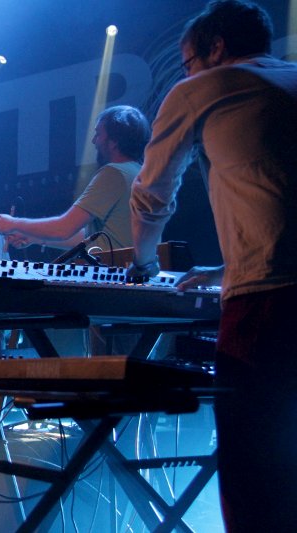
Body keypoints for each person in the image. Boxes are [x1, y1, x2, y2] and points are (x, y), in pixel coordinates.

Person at [126, 2, 297, 530]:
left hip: (267, 305)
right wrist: (225, 270)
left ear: (216, 48)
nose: (186, 73)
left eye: (186, 61)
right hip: (263, 281)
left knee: (253, 467)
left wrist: (143, 265)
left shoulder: (205, 86)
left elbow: (152, 195)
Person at [0, 105, 150, 253]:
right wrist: (35, 238)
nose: (94, 141)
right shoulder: (140, 173)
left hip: (115, 277)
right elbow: (89, 238)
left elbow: (64, 228)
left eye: (98, 134)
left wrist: (13, 223)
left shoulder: (114, 173)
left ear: (114, 142)